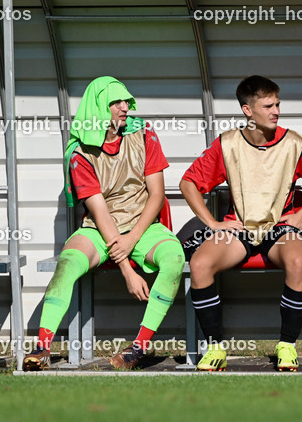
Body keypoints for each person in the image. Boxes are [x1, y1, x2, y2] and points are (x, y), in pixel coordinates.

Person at [22, 77, 184, 371]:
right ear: (99, 107)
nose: (125, 107)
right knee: (68, 262)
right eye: (117, 102)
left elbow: (157, 196)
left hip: (143, 226)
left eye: (126, 101)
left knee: (174, 257)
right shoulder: (79, 152)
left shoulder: (144, 133)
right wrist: (127, 272)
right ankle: (41, 348)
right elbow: (100, 213)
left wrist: (132, 239)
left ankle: (138, 349)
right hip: (100, 229)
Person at [180, 75, 302, 372]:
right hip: (240, 228)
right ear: (247, 111)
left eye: (277, 103)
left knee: (296, 260)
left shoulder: (294, 142)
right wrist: (213, 223)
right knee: (200, 263)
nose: (276, 110)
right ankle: (214, 348)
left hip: (280, 228)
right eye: (268, 105)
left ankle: (287, 346)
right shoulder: (226, 143)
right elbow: (188, 183)